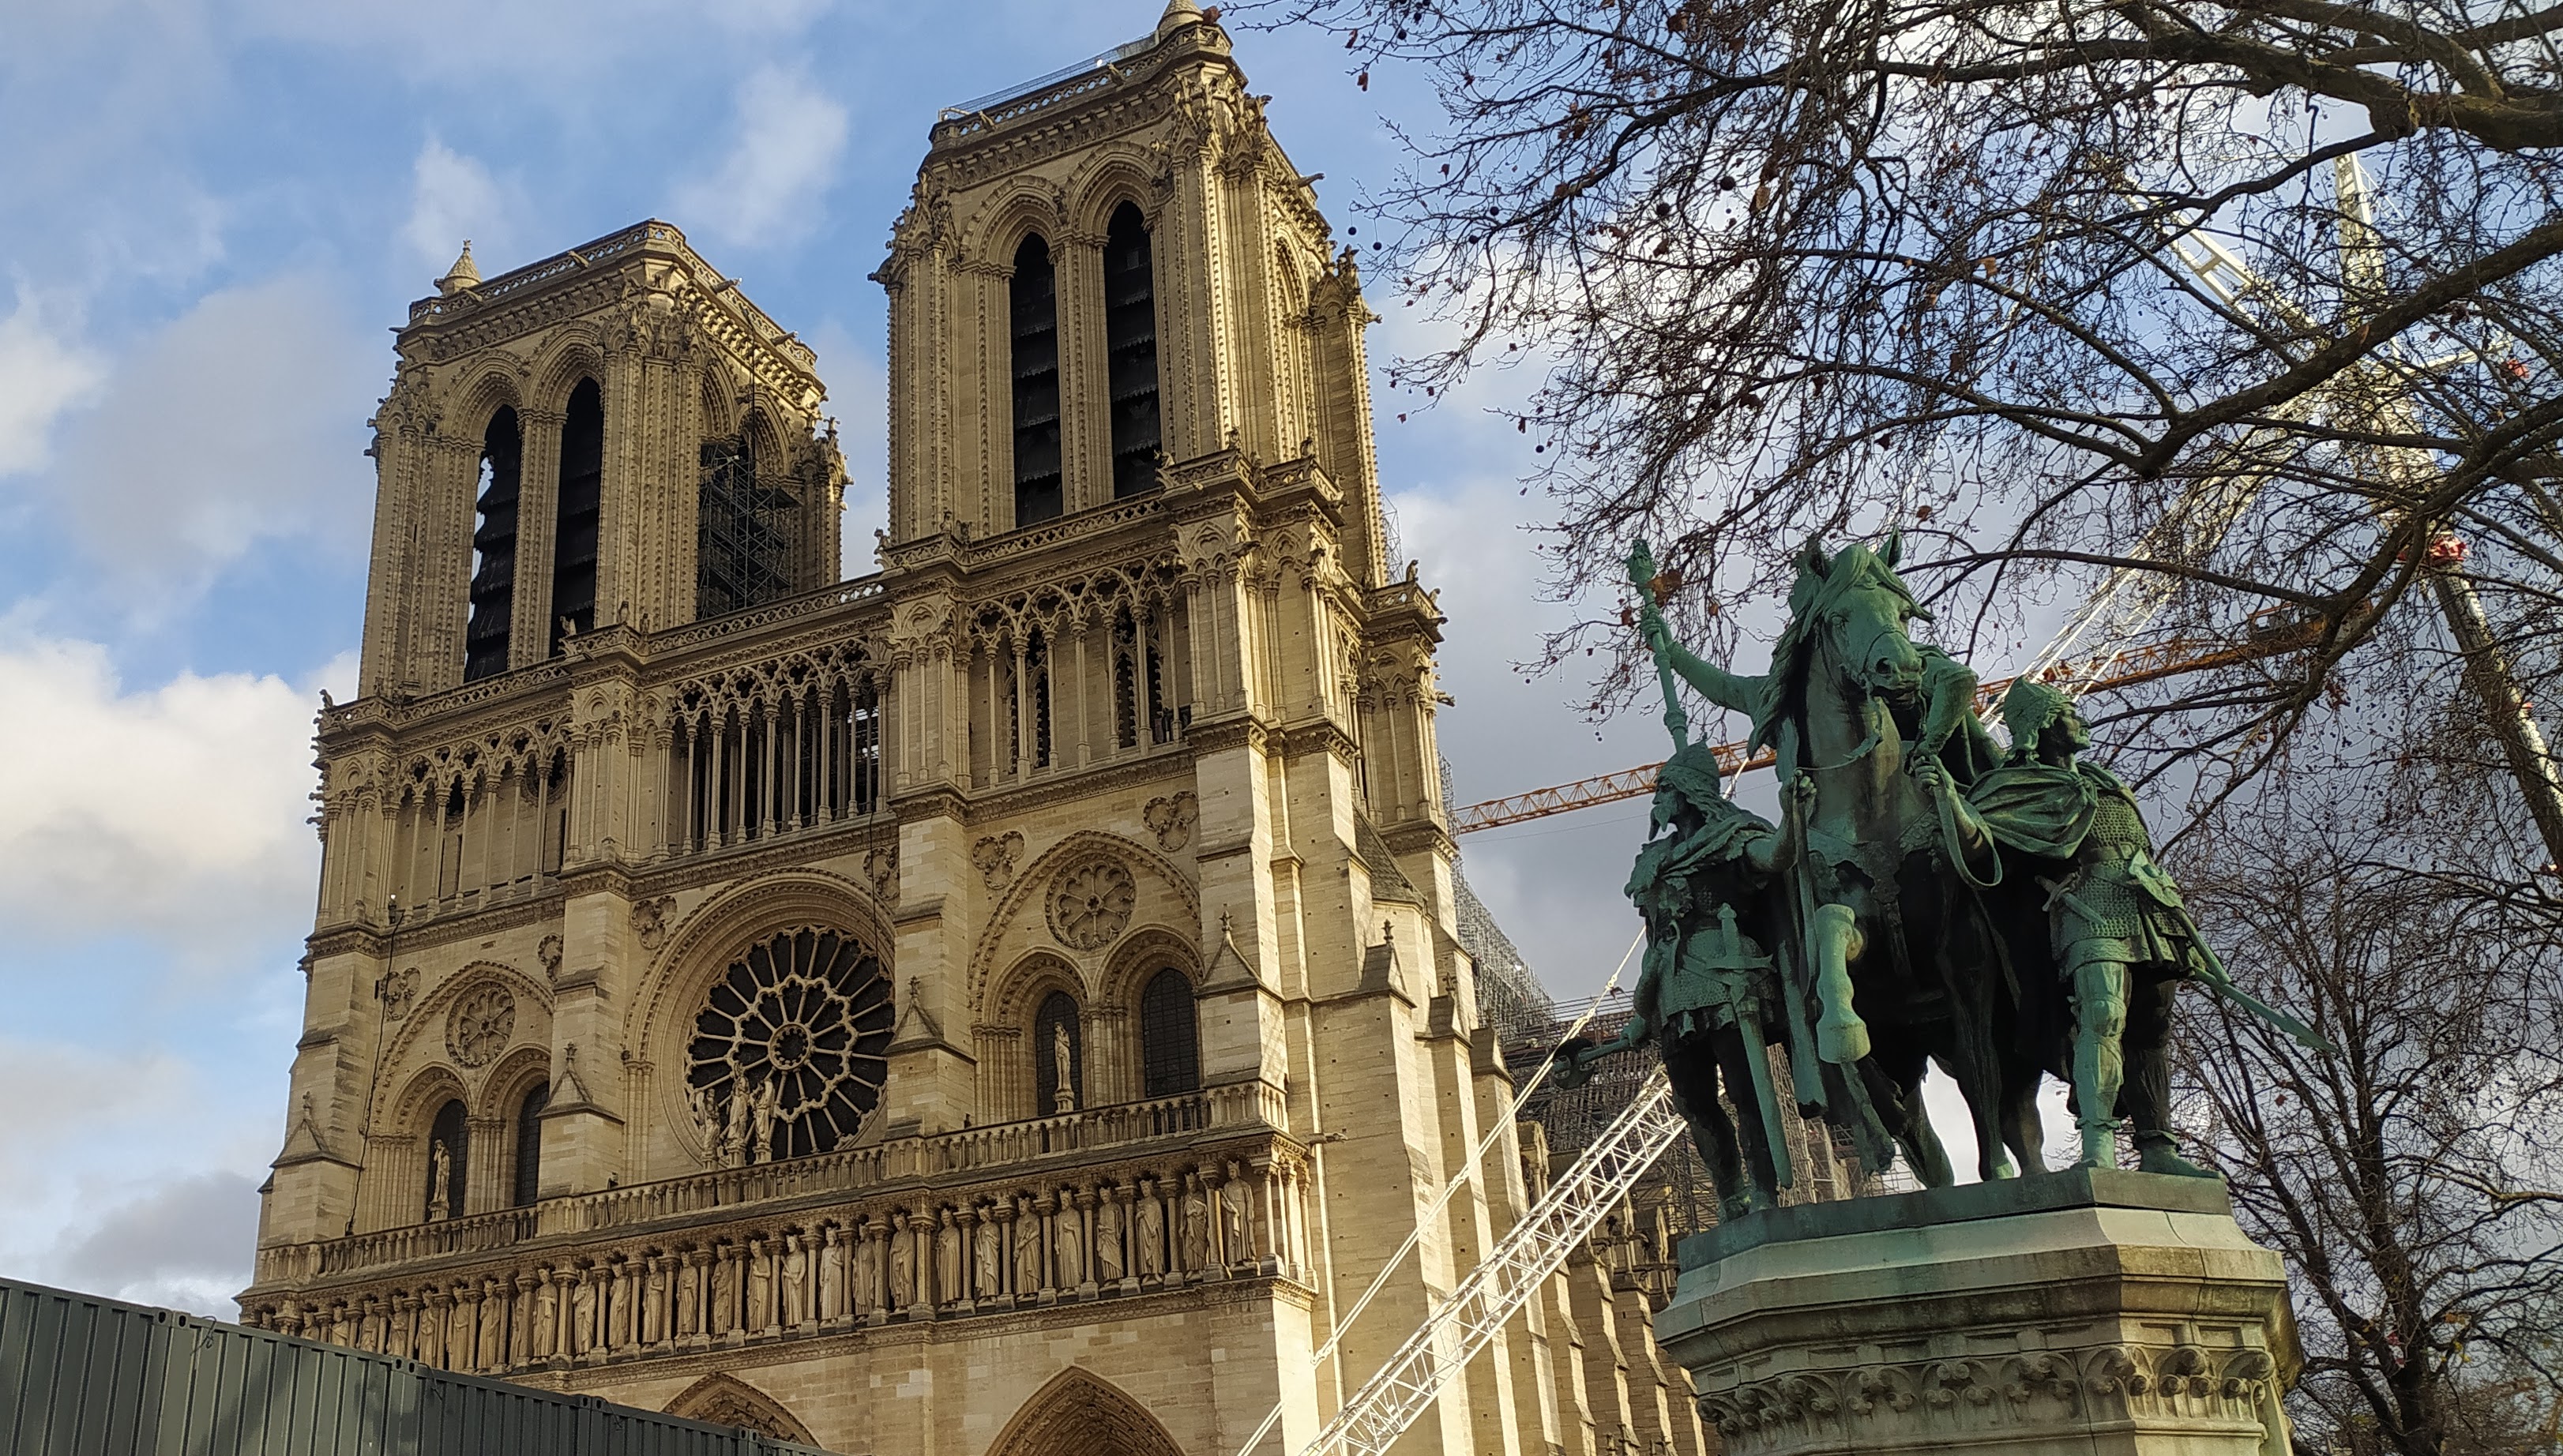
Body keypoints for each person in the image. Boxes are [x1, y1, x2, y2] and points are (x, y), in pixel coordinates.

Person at [1926, 679, 2217, 1174]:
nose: (2080, 720)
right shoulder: (2016, 785)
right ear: (2042, 725)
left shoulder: (2103, 779)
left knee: (2151, 1024)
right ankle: (2097, 1146)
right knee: (2101, 1016)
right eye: (2067, 712)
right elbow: (1979, 846)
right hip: (2087, 908)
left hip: (2151, 909)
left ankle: (2158, 1148)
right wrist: (1949, 800)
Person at [1557, 739, 1802, 1219]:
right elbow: (1655, 940)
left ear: (1689, 792)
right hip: (1671, 988)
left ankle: (1765, 1190)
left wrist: (1794, 813)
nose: (1657, 801)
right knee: (1693, 1103)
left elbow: (1776, 857)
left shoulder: (1731, 838)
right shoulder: (1655, 861)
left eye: (1665, 790)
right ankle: (1732, 1195)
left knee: (1747, 1093)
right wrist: (1643, 1013)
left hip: (1727, 977)